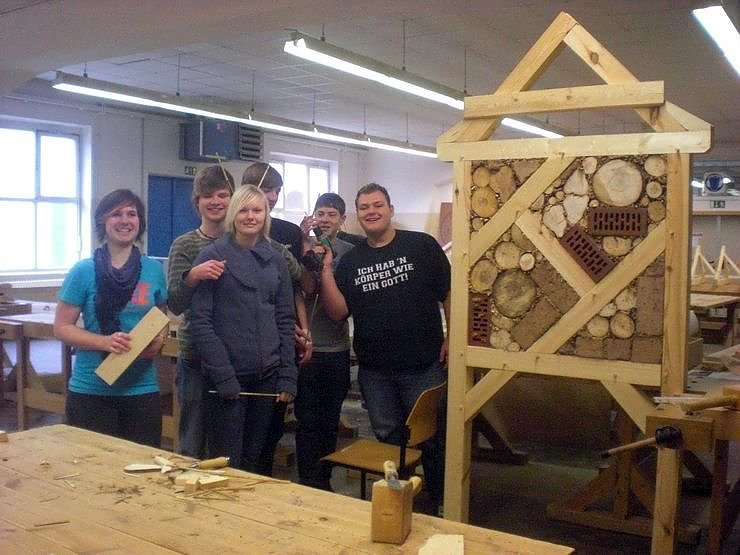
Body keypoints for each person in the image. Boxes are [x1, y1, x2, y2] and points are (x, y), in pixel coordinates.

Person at [319, 183, 450, 509]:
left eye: (377, 205)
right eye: (364, 207)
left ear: (391, 210)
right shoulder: (351, 261)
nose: (372, 212)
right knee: (389, 441)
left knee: (431, 440)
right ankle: (400, 501)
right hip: (376, 372)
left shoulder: (421, 246)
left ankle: (440, 504)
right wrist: (325, 271)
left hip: (424, 365)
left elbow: (448, 292)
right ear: (357, 215)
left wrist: (453, 338)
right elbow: (338, 312)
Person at [189, 184, 297, 473]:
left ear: (266, 215)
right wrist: (223, 375)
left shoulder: (276, 259)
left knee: (257, 460)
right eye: (244, 210)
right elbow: (201, 322)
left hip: (267, 378)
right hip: (228, 380)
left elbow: (285, 319)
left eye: (257, 210)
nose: (251, 216)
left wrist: (288, 375)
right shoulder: (212, 256)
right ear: (233, 214)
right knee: (226, 464)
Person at [54, 189, 168, 448]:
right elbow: (61, 328)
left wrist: (159, 339)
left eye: (131, 214)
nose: (125, 220)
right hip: (91, 390)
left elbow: (160, 315)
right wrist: (104, 342)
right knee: (93, 466)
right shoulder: (83, 271)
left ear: (139, 222)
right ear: (102, 222)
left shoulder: (153, 269)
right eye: (116, 214)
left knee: (143, 465)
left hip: (141, 389)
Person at [241, 161, 313, 476]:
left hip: (279, 340)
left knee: (270, 427)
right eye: (265, 189)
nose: (271, 197)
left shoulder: (287, 233)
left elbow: (297, 287)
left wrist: (305, 329)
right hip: (242, 343)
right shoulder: (232, 232)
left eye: (276, 191)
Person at [166, 165, 234, 458]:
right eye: (208, 196)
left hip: (235, 355)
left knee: (227, 440)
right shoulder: (183, 244)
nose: (215, 201)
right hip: (195, 356)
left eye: (222, 195)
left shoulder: (243, 242)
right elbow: (175, 303)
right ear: (198, 202)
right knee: (192, 438)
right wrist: (193, 276)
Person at [294, 193, 355, 490]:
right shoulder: (300, 247)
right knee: (306, 420)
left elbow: (342, 308)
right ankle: (307, 479)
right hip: (306, 348)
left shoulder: (349, 253)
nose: (326, 219)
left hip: (336, 349)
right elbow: (303, 289)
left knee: (330, 420)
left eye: (332, 214)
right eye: (321, 213)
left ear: (342, 219)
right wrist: (304, 246)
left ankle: (324, 479)